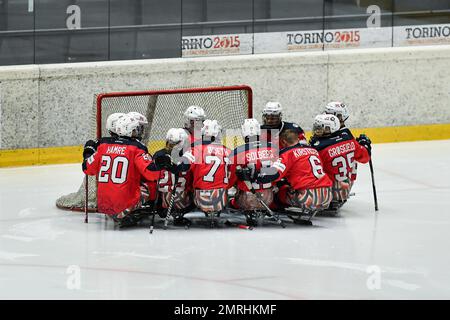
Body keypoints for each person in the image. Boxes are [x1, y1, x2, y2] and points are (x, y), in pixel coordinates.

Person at [82, 114, 157, 228]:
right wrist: (160, 165)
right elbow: (152, 175)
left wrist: (88, 152)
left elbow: (87, 168)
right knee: (151, 185)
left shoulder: (103, 146)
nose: (139, 132)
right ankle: (130, 212)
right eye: (136, 130)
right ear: (130, 131)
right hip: (122, 205)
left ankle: (117, 211)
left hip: (104, 206)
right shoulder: (136, 148)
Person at [254, 128, 333, 223]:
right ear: (298, 139)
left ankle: (272, 209)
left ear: (283, 142)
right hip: (328, 195)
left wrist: (257, 173)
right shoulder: (313, 150)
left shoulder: (287, 153)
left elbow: (274, 173)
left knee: (278, 191)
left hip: (307, 197)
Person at [174, 119, 231, 227]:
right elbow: (233, 176)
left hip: (200, 198)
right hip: (221, 198)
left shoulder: (195, 149)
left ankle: (178, 214)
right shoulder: (227, 151)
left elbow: (184, 167)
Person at [309, 114, 371, 212]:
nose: (317, 131)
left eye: (321, 128)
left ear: (331, 129)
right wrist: (365, 145)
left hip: (326, 193)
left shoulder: (320, 148)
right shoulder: (349, 140)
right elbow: (365, 158)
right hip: (345, 189)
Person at [228, 118, 278, 226]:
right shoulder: (273, 148)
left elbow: (231, 178)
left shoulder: (238, 151)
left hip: (247, 199)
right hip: (269, 198)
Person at [150, 128, 193, 226]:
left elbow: (152, 176)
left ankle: (162, 210)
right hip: (181, 201)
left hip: (162, 200)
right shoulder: (187, 156)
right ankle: (178, 213)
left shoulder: (158, 154)